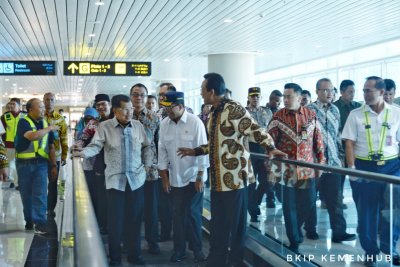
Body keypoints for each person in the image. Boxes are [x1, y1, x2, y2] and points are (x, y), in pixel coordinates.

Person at [177, 73, 286, 267]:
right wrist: (194, 151)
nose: (202, 94)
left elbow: (255, 130)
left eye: (203, 90)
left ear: (212, 91)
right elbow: (213, 144)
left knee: (236, 229)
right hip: (218, 180)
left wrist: (270, 147)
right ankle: (216, 261)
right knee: (218, 225)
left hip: (235, 180)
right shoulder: (213, 112)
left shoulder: (233, 109)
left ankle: (236, 262)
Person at [74, 95, 152, 266]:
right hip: (115, 182)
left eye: (131, 109)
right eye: (125, 109)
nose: (129, 112)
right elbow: (95, 146)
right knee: (115, 223)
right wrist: (82, 153)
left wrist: (146, 166)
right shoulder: (104, 126)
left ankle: (135, 255)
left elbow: (147, 146)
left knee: (135, 221)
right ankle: (115, 258)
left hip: (136, 181)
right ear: (115, 110)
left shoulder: (138, 126)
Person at [342, 76, 400, 266]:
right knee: (367, 211)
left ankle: (389, 248)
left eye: (369, 90)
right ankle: (370, 251)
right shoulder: (356, 114)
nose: (364, 93)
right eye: (364, 90)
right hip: (364, 167)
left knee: (393, 210)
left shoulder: (396, 114)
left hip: (392, 167)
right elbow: (348, 143)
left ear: (382, 92)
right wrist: (351, 169)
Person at [267, 83, 325, 253]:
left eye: (288, 96)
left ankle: (295, 226)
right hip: (285, 169)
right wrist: (270, 168)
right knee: (288, 206)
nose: (285, 99)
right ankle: (294, 239)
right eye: (284, 96)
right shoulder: (277, 117)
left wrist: (320, 163)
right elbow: (268, 143)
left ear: (299, 98)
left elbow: (318, 141)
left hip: (307, 169)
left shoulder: (311, 116)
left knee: (308, 202)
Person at [158, 91, 209, 263]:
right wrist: (165, 178)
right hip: (175, 178)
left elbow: (203, 150)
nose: (167, 112)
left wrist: (201, 176)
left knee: (193, 214)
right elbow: (162, 152)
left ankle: (197, 249)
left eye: (170, 108)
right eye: (165, 109)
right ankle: (179, 250)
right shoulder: (164, 124)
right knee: (178, 215)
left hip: (194, 177)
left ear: (180, 106)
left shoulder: (196, 123)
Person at [308, 78, 356, 243]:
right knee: (310, 199)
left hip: (334, 163)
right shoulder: (308, 111)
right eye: (325, 90)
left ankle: (339, 232)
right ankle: (310, 228)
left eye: (332, 90)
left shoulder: (336, 110)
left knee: (336, 200)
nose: (330, 93)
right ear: (317, 92)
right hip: (314, 164)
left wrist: (341, 158)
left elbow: (337, 136)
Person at [15, 98, 58, 234]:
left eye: (43, 107)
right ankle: (29, 220)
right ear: (30, 109)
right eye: (40, 107)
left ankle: (40, 223)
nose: (43, 109)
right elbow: (33, 136)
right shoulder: (23, 122)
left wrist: (53, 165)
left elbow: (51, 147)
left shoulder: (45, 123)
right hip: (24, 165)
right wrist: (50, 128)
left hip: (40, 164)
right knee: (26, 194)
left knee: (40, 194)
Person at [73, 94, 112, 234]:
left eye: (104, 104)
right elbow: (83, 138)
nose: (101, 107)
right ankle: (103, 225)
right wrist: (78, 145)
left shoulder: (117, 119)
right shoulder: (93, 123)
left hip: (118, 168)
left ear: (110, 105)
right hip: (100, 166)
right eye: (98, 105)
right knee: (101, 197)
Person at [130, 83, 161, 254]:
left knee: (151, 209)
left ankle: (152, 241)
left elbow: (159, 143)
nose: (139, 98)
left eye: (142, 95)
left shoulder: (154, 117)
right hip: (131, 171)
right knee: (133, 209)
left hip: (150, 171)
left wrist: (162, 167)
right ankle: (132, 244)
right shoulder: (124, 115)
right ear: (130, 97)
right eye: (135, 95)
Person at [245, 87, 275, 224]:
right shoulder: (244, 113)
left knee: (266, 182)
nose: (255, 98)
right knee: (251, 183)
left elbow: (271, 130)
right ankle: (253, 212)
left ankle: (254, 202)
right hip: (250, 149)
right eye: (252, 96)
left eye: (257, 96)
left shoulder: (267, 112)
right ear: (248, 97)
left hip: (264, 148)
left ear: (261, 97)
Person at [43, 92, 68, 217]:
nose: (49, 102)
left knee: (52, 183)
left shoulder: (60, 118)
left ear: (55, 101)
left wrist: (64, 155)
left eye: (52, 99)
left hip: (55, 156)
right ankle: (41, 208)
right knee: (40, 183)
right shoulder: (38, 116)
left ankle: (50, 209)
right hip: (40, 156)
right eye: (47, 99)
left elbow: (64, 138)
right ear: (43, 101)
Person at [1, 98, 27, 189]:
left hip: (21, 144)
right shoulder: (5, 116)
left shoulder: (25, 115)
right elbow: (2, 131)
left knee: (18, 163)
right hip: (8, 144)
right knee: (10, 163)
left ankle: (17, 183)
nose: (11, 106)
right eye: (10, 104)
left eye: (13, 104)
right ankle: (12, 180)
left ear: (19, 105)